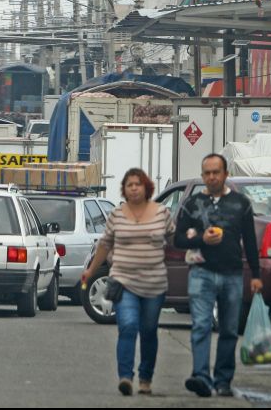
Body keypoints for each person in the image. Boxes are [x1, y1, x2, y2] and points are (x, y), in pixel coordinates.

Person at [174, 154, 263, 398]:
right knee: (201, 325)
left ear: (225, 174)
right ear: (202, 176)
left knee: (229, 329)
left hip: (232, 274)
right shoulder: (191, 204)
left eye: (216, 172)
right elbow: (178, 239)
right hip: (201, 273)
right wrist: (201, 238)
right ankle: (201, 377)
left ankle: (223, 381)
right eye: (207, 173)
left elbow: (251, 242)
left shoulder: (241, 203)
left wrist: (255, 274)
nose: (211, 177)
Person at [81, 168, 175, 397]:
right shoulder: (117, 215)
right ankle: (125, 377)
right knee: (128, 326)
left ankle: (145, 378)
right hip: (124, 280)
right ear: (124, 189)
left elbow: (174, 239)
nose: (134, 188)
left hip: (154, 283)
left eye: (138, 184)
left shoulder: (162, 212)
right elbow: (105, 244)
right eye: (129, 184)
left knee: (149, 330)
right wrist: (91, 270)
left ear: (147, 187)